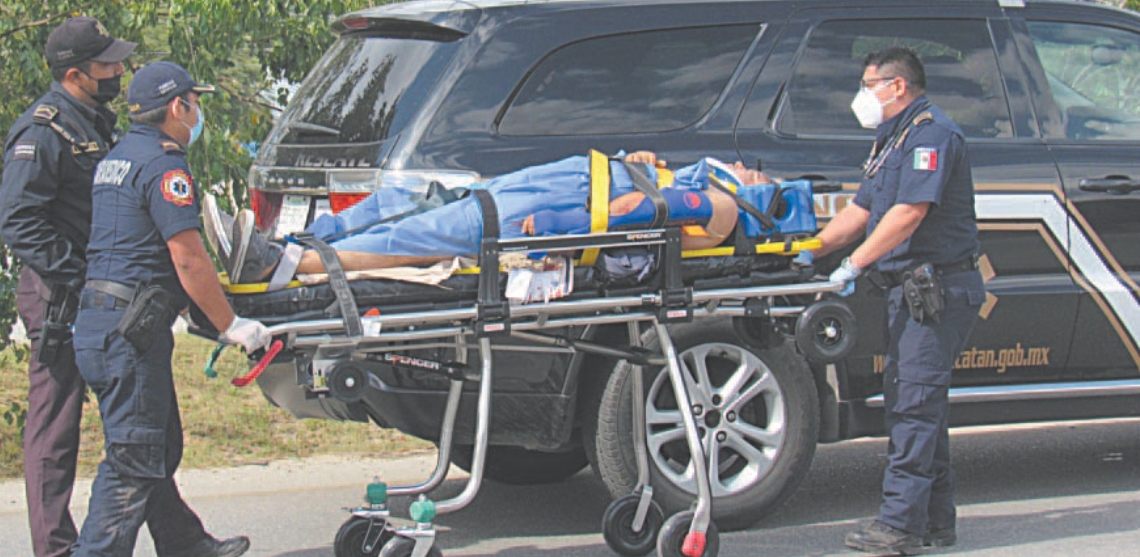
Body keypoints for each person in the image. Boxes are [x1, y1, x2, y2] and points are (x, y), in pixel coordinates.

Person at [70, 62, 272, 557]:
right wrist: (231, 324)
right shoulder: (165, 166)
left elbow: (134, 245)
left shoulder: (118, 157)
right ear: (178, 106)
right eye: (195, 103)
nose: (197, 113)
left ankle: (185, 544)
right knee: (134, 458)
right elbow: (187, 255)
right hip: (128, 332)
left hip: (101, 323)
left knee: (156, 443)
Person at [808, 47, 984, 554]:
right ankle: (935, 520)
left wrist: (854, 264)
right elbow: (863, 208)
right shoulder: (894, 138)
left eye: (869, 85)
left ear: (897, 86)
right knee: (920, 405)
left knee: (912, 407)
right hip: (912, 293)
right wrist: (811, 250)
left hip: (939, 290)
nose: (863, 96)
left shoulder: (931, 134)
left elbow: (909, 212)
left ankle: (900, 526)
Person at [0, 16, 136, 557]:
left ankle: (182, 538)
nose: (119, 71)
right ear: (76, 74)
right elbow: (18, 221)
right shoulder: (43, 130)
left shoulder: (94, 122)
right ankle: (53, 547)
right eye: (108, 65)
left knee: (134, 420)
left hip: (98, 294)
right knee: (55, 432)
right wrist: (77, 277)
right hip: (61, 298)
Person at [215, 151, 773, 286]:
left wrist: (554, 225)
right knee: (415, 199)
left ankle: (287, 265)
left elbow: (635, 214)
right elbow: (648, 196)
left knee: (426, 232)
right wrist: (646, 164)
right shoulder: (695, 181)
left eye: (759, 177)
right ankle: (289, 240)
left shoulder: (728, 206)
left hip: (554, 204)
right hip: (564, 178)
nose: (750, 167)